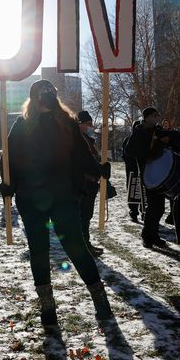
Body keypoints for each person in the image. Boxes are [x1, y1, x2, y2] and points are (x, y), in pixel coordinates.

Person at [1, 79, 113, 327]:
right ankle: (47, 305)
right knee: (38, 251)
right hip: (31, 199)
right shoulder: (22, 125)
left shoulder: (68, 125)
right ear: (33, 98)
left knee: (75, 246)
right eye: (41, 93)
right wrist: (8, 183)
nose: (46, 96)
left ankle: (99, 298)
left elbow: (82, 155)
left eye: (50, 92)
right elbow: (9, 157)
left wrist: (98, 169)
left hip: (63, 196)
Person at [124, 107, 180, 249]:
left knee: (158, 207)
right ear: (147, 117)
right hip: (148, 175)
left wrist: (167, 139)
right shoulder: (138, 132)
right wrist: (151, 149)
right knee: (154, 207)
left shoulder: (158, 130)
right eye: (154, 116)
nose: (157, 118)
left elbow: (177, 135)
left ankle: (153, 236)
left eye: (157, 115)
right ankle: (147, 236)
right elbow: (129, 150)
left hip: (159, 174)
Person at [76, 110, 105, 257]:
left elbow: (94, 159)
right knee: (83, 216)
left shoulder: (88, 139)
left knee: (86, 216)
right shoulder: (76, 140)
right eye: (88, 124)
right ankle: (84, 246)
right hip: (84, 184)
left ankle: (85, 244)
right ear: (80, 124)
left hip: (92, 183)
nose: (90, 126)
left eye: (91, 124)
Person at [122, 120, 144, 224]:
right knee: (133, 192)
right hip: (132, 172)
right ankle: (134, 212)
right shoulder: (128, 140)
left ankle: (144, 211)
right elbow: (126, 155)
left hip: (144, 171)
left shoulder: (146, 139)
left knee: (144, 193)